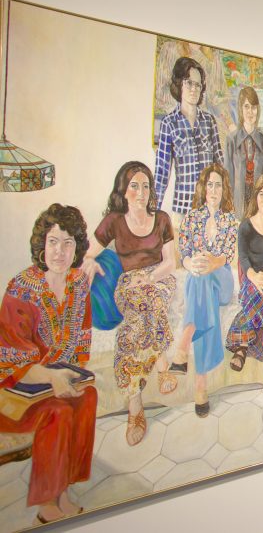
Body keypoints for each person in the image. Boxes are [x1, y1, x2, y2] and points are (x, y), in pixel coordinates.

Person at [0, 205, 96, 524]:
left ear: (77, 248)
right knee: (57, 411)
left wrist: (71, 375)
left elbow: (81, 342)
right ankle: (46, 503)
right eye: (53, 241)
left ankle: (64, 489)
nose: (59, 251)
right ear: (42, 244)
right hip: (13, 391)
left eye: (68, 242)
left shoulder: (79, 284)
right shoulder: (20, 289)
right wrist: (53, 378)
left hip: (54, 380)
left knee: (88, 396)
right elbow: (14, 360)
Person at [82, 161, 178, 446]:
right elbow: (88, 253)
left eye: (146, 185)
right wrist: (88, 263)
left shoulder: (161, 218)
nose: (141, 192)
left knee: (138, 319)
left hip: (159, 279)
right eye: (134, 186)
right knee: (138, 313)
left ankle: (135, 406)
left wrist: (149, 278)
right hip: (128, 283)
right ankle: (160, 364)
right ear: (123, 191)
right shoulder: (114, 221)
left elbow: (171, 263)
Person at [169, 163, 238, 417]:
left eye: (218, 185)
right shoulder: (191, 217)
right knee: (199, 280)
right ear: (203, 187)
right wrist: (192, 264)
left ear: (224, 190)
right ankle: (201, 383)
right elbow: (184, 255)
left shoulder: (230, 219)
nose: (213, 189)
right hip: (200, 279)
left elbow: (227, 255)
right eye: (209, 184)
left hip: (222, 279)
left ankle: (182, 347)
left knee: (204, 277)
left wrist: (211, 264)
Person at [225, 174, 263, 408]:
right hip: (252, 281)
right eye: (261, 193)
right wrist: (255, 279)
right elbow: (243, 260)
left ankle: (243, 344)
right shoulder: (245, 226)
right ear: (255, 197)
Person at [154, 56, 224, 216]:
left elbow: (220, 166)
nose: (194, 89)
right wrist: (153, 213)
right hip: (183, 211)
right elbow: (161, 173)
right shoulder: (169, 123)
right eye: (189, 83)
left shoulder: (209, 121)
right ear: (180, 84)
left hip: (210, 210)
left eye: (198, 85)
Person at [224, 86, 263, 213]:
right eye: (246, 106)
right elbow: (227, 179)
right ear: (240, 109)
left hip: (258, 205)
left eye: (254, 107)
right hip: (237, 205)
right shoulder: (231, 140)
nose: (250, 112)